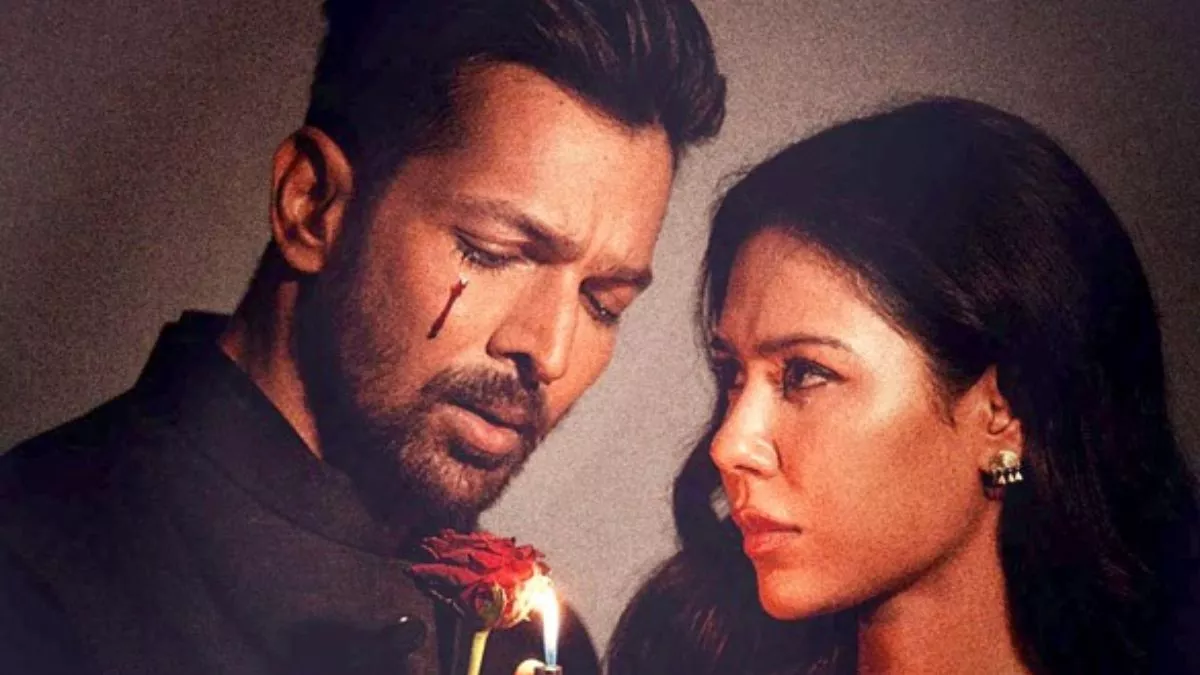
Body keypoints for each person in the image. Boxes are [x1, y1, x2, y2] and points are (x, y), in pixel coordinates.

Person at [0, 1, 725, 673]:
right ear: (312, 204)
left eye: (603, 303)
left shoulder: (532, 641)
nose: (551, 351)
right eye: (492, 252)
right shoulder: (32, 573)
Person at [606, 97, 1200, 674]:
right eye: (733, 375)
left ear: (1004, 410)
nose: (729, 445)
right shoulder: (685, 652)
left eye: (805, 373)